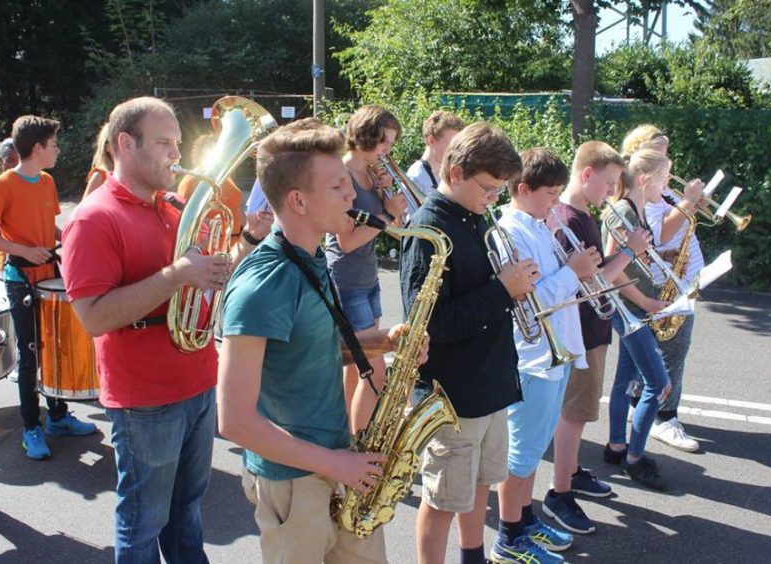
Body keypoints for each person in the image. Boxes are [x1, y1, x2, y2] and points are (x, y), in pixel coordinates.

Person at [61, 96, 259, 563]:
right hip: (145, 398)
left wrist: (248, 239)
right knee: (143, 520)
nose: (177, 153)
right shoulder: (93, 218)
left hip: (196, 381)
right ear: (125, 144)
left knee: (187, 511)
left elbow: (208, 277)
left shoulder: (173, 205)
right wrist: (175, 275)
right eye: (165, 143)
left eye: (178, 142)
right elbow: (93, 317)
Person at [219, 117, 424, 564]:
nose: (353, 194)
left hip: (334, 462)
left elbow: (313, 349)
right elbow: (233, 421)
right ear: (298, 200)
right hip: (293, 481)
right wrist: (334, 465)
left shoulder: (309, 259)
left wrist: (382, 343)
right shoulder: (263, 283)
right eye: (337, 187)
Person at [400, 122, 534, 564]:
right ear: (455, 172)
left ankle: (473, 556)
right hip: (452, 393)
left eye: (499, 191)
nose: (493, 198)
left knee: (479, 486)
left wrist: (510, 288)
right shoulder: (428, 230)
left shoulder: (474, 218)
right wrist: (502, 290)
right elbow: (429, 323)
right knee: (441, 501)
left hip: (488, 383)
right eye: (488, 188)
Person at [492, 148, 602, 564]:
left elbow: (559, 284)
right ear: (523, 189)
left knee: (534, 450)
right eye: (551, 195)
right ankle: (507, 537)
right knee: (519, 458)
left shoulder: (539, 225)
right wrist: (574, 271)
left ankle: (522, 520)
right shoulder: (512, 230)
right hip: (534, 359)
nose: (557, 202)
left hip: (555, 356)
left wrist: (578, 270)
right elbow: (533, 298)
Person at [543, 141, 651, 534]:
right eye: (607, 183)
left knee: (581, 411)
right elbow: (588, 284)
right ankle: (560, 492)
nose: (611, 192)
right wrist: (630, 252)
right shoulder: (567, 219)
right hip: (581, 332)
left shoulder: (582, 213)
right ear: (586, 174)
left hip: (593, 329)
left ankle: (571, 471)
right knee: (575, 413)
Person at [0, 115, 97, 460]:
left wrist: (73, 239)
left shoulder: (46, 182)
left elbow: (50, 229)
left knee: (55, 348)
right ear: (38, 148)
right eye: (55, 144)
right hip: (21, 279)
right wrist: (25, 250)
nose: (58, 149)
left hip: (51, 275)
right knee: (29, 357)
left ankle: (58, 416)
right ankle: (31, 426)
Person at [620, 125, 705, 453]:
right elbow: (659, 233)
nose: (666, 158)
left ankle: (644, 403)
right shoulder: (643, 195)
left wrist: (690, 205)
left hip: (681, 277)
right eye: (659, 153)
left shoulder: (660, 189)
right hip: (664, 283)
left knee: (669, 349)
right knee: (672, 348)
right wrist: (687, 202)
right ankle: (663, 417)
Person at [326, 105, 408, 434]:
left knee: (354, 366)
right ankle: (361, 442)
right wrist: (386, 215)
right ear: (367, 135)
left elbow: (396, 226)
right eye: (385, 141)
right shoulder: (343, 175)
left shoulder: (371, 173)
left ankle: (346, 433)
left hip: (368, 277)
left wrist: (389, 199)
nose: (388, 150)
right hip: (347, 280)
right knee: (373, 367)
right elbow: (346, 241)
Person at [601, 148, 675, 490]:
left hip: (634, 307)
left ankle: (617, 445)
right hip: (628, 308)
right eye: (664, 177)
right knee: (658, 384)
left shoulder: (637, 210)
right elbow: (611, 271)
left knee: (625, 379)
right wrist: (645, 299)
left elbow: (636, 260)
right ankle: (635, 457)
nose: (668, 183)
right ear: (644, 179)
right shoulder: (622, 214)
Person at [175, 134, 273, 247]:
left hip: (234, 243)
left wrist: (252, 226)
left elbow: (234, 207)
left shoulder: (224, 177)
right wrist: (214, 225)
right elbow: (182, 216)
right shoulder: (192, 180)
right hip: (209, 246)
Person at [405, 111, 465, 212]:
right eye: (450, 145)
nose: (455, 151)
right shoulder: (415, 177)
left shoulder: (451, 172)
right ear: (431, 141)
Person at [81, 123, 113, 199]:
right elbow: (85, 208)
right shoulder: (100, 175)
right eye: (117, 141)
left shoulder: (133, 173)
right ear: (107, 147)